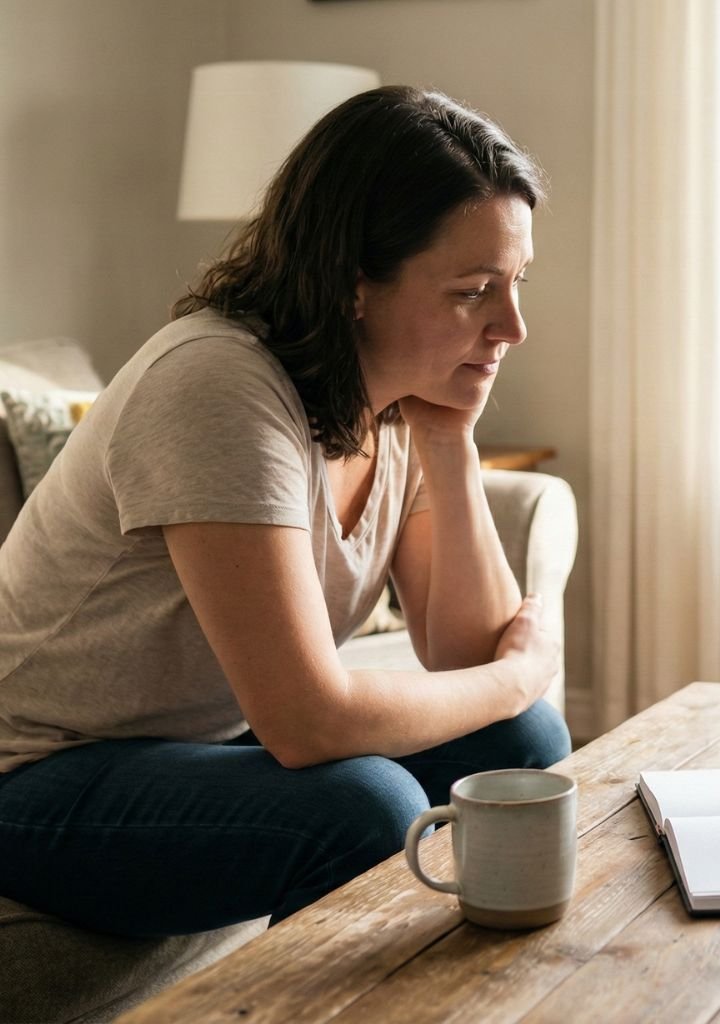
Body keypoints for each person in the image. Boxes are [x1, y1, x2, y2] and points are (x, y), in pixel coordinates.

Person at [0, 86, 571, 935]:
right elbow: (308, 722)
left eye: (515, 282)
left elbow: (464, 652)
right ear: (354, 286)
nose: (512, 326)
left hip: (197, 740)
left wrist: (452, 444)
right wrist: (518, 672)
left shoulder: (396, 401)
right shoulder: (217, 385)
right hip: (42, 769)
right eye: (473, 291)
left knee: (520, 745)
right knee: (361, 804)